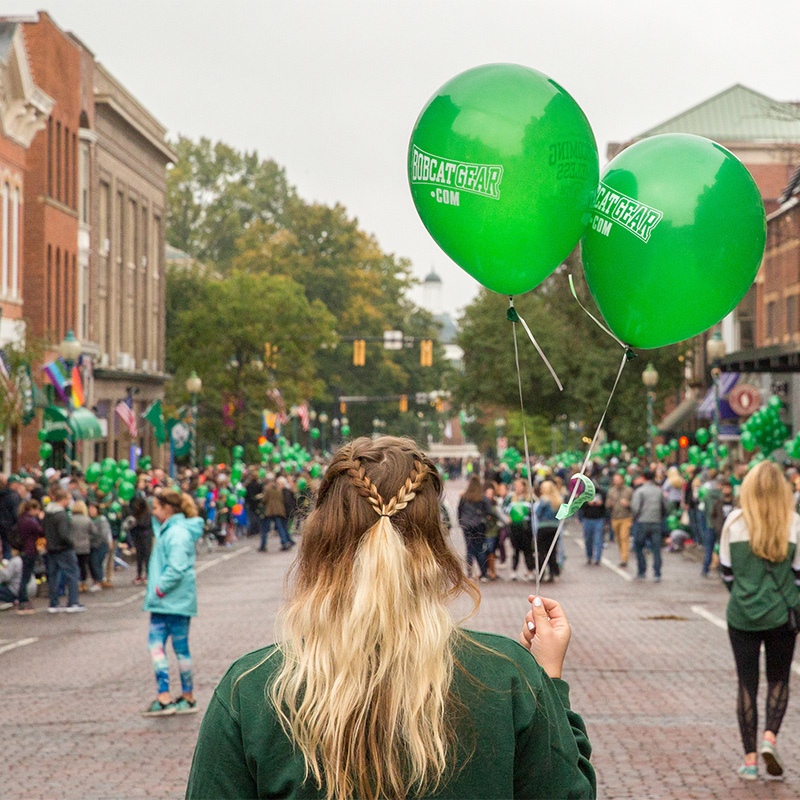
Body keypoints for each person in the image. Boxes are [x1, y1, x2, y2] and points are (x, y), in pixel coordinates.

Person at [185, 436, 595, 799]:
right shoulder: (509, 675)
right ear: (435, 548)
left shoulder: (251, 688)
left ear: (318, 541)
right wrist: (548, 679)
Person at [719, 461, 800, 781]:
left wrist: (744, 591)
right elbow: (798, 576)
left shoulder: (734, 522)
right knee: (779, 679)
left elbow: (726, 573)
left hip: (742, 615)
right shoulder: (793, 523)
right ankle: (769, 738)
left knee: (746, 684)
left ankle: (750, 761)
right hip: (782, 615)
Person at [141, 489, 204, 717]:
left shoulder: (175, 533)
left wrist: (159, 588)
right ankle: (186, 696)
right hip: (179, 601)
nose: (153, 512)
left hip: (167, 601)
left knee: (156, 646)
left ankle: (165, 696)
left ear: (168, 508)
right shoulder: (176, 530)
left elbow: (176, 567)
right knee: (181, 649)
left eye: (156, 508)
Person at [44, 487, 84, 612]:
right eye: (68, 499)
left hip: (51, 548)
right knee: (72, 574)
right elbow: (64, 534)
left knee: (53, 576)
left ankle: (54, 603)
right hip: (63, 549)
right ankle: (73, 602)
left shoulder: (47, 513)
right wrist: (71, 543)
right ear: (63, 500)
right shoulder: (61, 515)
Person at [631, 470, 667, 582]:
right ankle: (657, 573)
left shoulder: (640, 491)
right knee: (656, 548)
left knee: (639, 546)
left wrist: (635, 517)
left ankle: (642, 571)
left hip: (642, 522)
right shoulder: (658, 491)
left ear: (643, 477)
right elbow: (664, 507)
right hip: (656, 522)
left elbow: (635, 508)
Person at [458, 475, 492, 581]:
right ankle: (483, 573)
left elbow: (459, 510)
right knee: (480, 549)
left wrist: (461, 521)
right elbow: (489, 511)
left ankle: (469, 572)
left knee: (469, 549)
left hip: (466, 525)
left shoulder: (464, 496)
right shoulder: (482, 497)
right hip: (479, 525)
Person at [504, 478, 536, 581]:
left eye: (518, 485)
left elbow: (535, 511)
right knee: (515, 550)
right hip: (514, 528)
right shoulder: (510, 497)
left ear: (524, 486)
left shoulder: (530, 498)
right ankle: (514, 571)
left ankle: (530, 570)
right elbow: (504, 508)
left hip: (526, 528)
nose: (516, 488)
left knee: (528, 550)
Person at [16, 499, 43, 612]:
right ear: (32, 509)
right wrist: (41, 519)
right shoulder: (30, 521)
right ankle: (23, 600)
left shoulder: (21, 518)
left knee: (24, 575)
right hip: (30, 550)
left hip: (23, 549)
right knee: (26, 576)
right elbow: (40, 531)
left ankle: (23, 599)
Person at [535, 480, 562, 582]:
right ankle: (553, 572)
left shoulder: (543, 500)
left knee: (541, 551)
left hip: (543, 527)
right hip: (554, 527)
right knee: (552, 551)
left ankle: (541, 574)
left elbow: (538, 513)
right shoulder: (557, 500)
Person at [259, 475, 294, 552]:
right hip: (279, 510)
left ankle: (263, 545)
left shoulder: (267, 488)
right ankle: (284, 542)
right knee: (280, 528)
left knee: (265, 529)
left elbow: (264, 499)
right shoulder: (278, 489)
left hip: (270, 510)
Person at [606, 472, 633, 568]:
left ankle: (624, 558)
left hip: (626, 517)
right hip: (615, 517)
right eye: (615, 480)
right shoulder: (611, 491)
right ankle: (622, 554)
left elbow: (634, 504)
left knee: (624, 537)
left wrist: (628, 504)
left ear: (622, 480)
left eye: (618, 479)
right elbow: (607, 505)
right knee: (618, 538)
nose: (616, 482)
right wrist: (609, 504)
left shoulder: (629, 491)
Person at [127, 495, 153, 585]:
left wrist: (136, 524)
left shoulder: (147, 514)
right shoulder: (135, 513)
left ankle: (147, 574)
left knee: (146, 556)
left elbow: (146, 524)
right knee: (139, 557)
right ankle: (139, 574)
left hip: (146, 536)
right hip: (138, 537)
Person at [579, 479, 606, 566]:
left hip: (599, 518)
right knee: (588, 540)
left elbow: (606, 504)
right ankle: (589, 556)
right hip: (588, 518)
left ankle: (597, 558)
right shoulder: (584, 494)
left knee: (598, 539)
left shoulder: (601, 493)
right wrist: (588, 503)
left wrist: (601, 503)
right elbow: (580, 505)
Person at [87, 501, 111, 592]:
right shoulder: (89, 519)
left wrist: (107, 541)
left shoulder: (101, 519)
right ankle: (96, 581)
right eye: (90, 509)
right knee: (92, 563)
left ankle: (98, 582)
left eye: (93, 509)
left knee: (96, 562)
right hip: (91, 544)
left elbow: (105, 532)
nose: (91, 511)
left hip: (100, 544)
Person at [70, 500, 93, 593]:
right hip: (85, 546)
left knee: (75, 565)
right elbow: (94, 532)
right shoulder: (87, 519)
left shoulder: (70, 519)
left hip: (73, 545)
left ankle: (77, 583)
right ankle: (84, 583)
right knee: (83, 565)